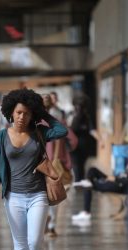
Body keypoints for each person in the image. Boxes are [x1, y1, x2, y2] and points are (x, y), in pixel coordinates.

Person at [0, 88, 67, 250]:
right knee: (20, 245)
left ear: (33, 115)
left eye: (27, 113)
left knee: (35, 241)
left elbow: (60, 130)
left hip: (38, 195)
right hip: (13, 198)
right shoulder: (1, 137)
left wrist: (42, 113)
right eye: (19, 112)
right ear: (10, 113)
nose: (22, 117)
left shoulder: (39, 133)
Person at [71, 139, 128, 223]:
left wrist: (116, 179)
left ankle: (86, 211)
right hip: (118, 180)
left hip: (120, 185)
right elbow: (127, 174)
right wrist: (113, 177)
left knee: (87, 186)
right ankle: (88, 182)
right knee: (92, 170)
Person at [42, 94, 78, 237]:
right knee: (53, 195)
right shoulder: (59, 120)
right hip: (56, 163)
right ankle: (51, 226)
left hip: (40, 163)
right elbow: (73, 140)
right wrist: (64, 153)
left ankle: (44, 224)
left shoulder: (36, 122)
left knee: (41, 195)